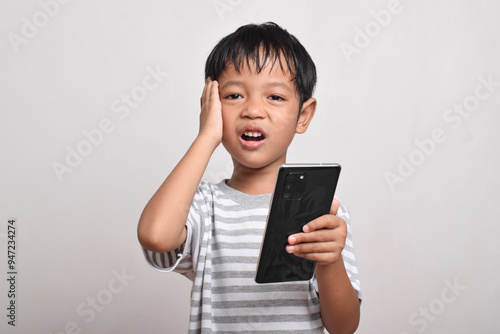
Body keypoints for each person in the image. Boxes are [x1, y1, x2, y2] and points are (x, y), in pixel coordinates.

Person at [137, 22, 362, 333]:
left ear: (304, 115)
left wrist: (330, 261)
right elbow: (155, 236)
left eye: (275, 97)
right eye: (233, 95)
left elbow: (344, 326)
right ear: (211, 105)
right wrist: (206, 137)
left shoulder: (322, 212)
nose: (253, 110)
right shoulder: (203, 207)